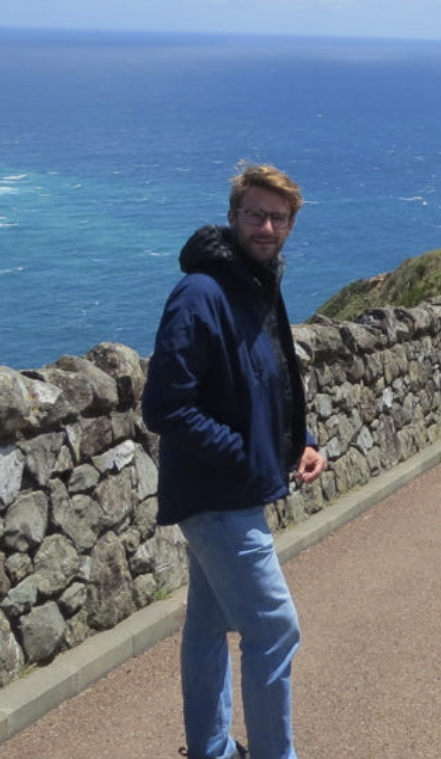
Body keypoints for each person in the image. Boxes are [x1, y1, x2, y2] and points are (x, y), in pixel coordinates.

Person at [143, 163, 327, 759]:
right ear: (233, 217)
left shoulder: (257, 283)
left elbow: (267, 381)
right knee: (274, 629)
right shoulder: (201, 293)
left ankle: (210, 750)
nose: (266, 226)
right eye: (255, 214)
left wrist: (299, 441)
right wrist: (246, 456)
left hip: (234, 490)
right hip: (218, 499)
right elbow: (165, 406)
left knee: (206, 627)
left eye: (278, 217)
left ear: (291, 224)